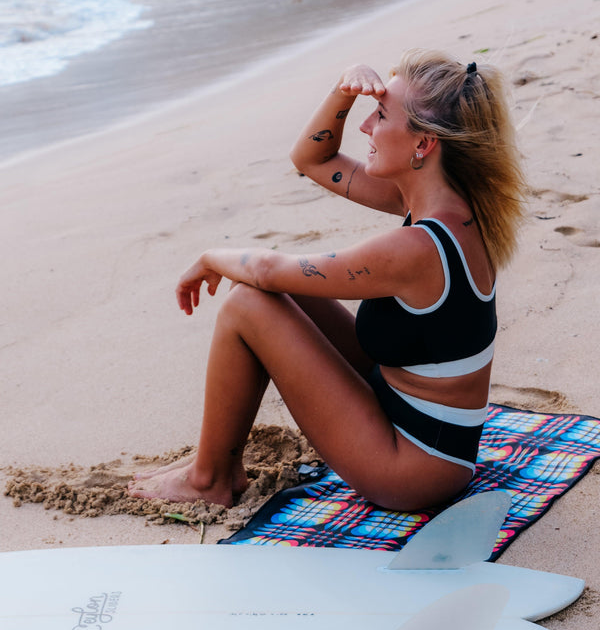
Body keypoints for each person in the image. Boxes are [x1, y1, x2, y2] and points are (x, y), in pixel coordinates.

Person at [129, 50, 526, 512]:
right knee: (269, 292)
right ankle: (214, 463)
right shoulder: (447, 205)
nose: (365, 128)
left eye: (379, 115)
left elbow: (265, 269)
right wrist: (344, 91)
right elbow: (311, 158)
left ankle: (210, 477)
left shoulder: (416, 248)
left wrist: (209, 256)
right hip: (407, 416)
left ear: (424, 145)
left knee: (247, 303)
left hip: (413, 470)